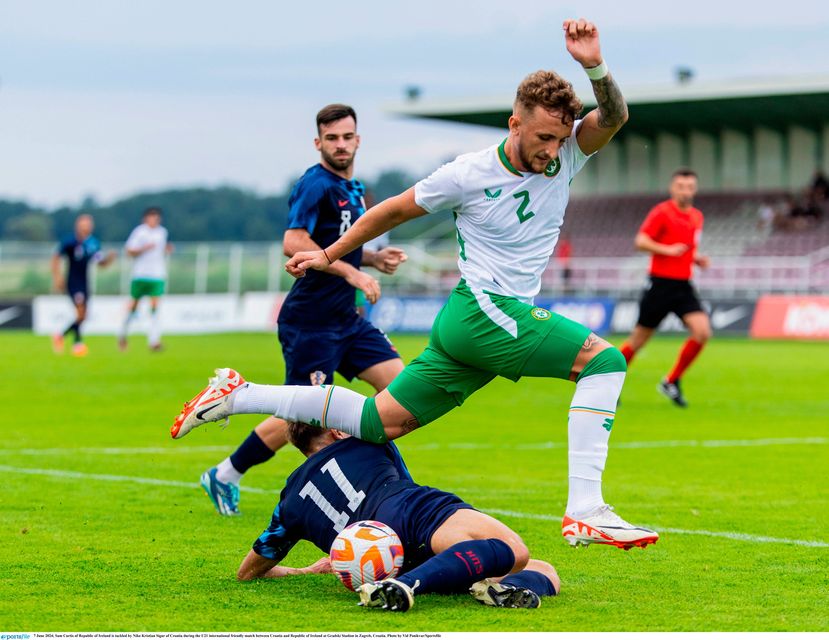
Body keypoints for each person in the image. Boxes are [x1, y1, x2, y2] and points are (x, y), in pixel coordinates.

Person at [172, 19, 659, 551]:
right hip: (485, 311)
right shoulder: (466, 173)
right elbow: (390, 211)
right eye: (542, 136)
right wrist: (330, 255)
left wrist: (594, 65)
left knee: (378, 421)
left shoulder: (566, 154)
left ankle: (238, 394)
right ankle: (586, 509)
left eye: (559, 138)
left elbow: (614, 115)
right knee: (605, 362)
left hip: (470, 325)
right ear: (514, 122)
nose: (550, 149)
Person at [198, 104, 408, 516]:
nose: (341, 145)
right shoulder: (315, 184)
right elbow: (294, 241)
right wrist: (354, 276)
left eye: (347, 137)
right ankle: (225, 473)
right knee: (302, 416)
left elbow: (333, 244)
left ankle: (393, 484)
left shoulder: (354, 187)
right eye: (332, 138)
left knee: (402, 393)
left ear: (358, 140)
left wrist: (372, 259)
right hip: (311, 322)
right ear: (319, 143)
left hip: (346, 320)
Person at [235, 419, 561, 612]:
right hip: (405, 511)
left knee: (540, 570)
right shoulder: (364, 437)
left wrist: (302, 571)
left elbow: (248, 572)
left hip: (381, 560)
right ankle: (404, 586)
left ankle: (488, 588)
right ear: (335, 429)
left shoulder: (289, 501)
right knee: (518, 552)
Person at [619, 169, 711, 408]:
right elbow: (640, 241)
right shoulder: (662, 212)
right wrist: (667, 250)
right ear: (673, 188)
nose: (686, 191)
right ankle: (606, 381)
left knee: (702, 332)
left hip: (683, 286)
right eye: (681, 186)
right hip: (660, 285)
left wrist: (696, 258)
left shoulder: (697, 217)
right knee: (637, 342)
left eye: (690, 186)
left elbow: (688, 248)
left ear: (695, 189)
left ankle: (671, 380)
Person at [50, 213, 116, 356]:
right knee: (80, 311)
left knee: (83, 315)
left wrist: (109, 259)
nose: (87, 227)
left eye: (89, 224)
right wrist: (57, 278)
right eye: (84, 224)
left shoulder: (93, 243)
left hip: (86, 282)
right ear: (78, 226)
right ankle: (78, 344)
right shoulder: (69, 242)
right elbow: (55, 258)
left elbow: (100, 263)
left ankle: (61, 336)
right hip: (73, 282)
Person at [118, 207, 173, 351]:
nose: (154, 220)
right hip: (140, 275)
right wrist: (144, 248)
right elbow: (129, 251)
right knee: (134, 306)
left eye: (156, 218)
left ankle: (154, 340)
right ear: (145, 219)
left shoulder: (162, 232)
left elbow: (161, 249)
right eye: (151, 217)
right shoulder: (139, 232)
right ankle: (123, 333)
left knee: (155, 306)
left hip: (157, 275)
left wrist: (167, 249)